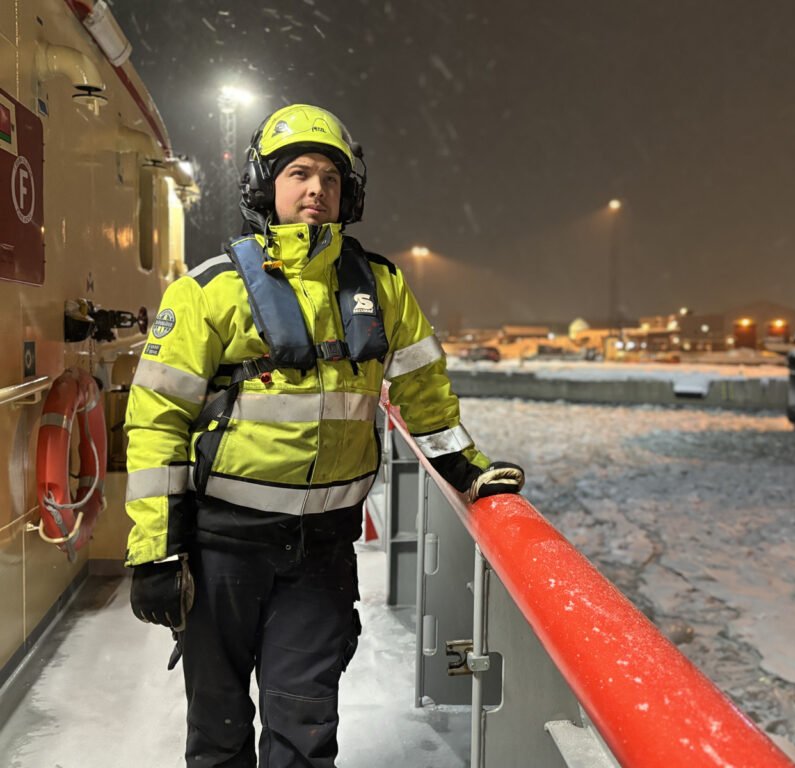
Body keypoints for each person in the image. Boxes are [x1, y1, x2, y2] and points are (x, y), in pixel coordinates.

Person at [123, 103, 524, 767]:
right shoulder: (210, 290)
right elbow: (157, 421)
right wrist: (156, 552)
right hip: (223, 549)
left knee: (306, 731)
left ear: (349, 194)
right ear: (266, 187)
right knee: (218, 733)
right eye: (300, 173)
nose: (317, 190)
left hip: (322, 554)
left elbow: (423, 393)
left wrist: (467, 470)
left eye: (331, 179)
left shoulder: (384, 288)